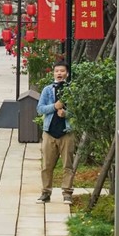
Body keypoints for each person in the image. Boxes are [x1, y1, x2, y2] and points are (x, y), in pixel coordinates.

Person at [36, 61, 75, 203]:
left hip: (66, 132)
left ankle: (67, 193)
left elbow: (77, 111)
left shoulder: (72, 89)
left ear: (67, 73)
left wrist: (66, 113)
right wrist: (54, 106)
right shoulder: (47, 90)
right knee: (46, 165)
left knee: (67, 165)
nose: (59, 73)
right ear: (53, 73)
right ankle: (46, 192)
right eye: (57, 71)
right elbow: (40, 109)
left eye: (62, 71)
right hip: (49, 132)